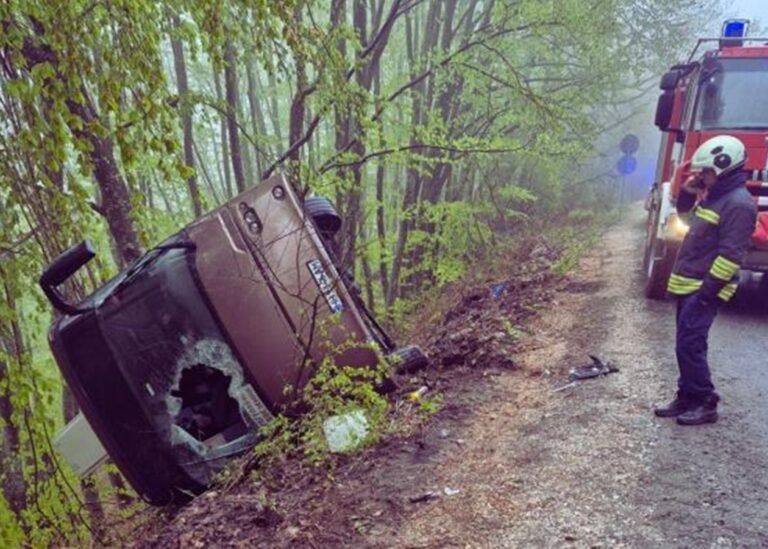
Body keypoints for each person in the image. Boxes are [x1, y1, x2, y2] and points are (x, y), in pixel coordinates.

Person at [654, 135, 757, 425]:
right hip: (691, 283)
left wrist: (707, 293)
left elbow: (730, 256)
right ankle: (686, 396)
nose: (701, 176)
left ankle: (704, 401)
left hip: (704, 287)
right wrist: (688, 195)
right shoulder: (716, 197)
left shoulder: (738, 205)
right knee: (685, 343)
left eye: (706, 172)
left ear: (723, 168)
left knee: (691, 343)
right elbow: (691, 223)